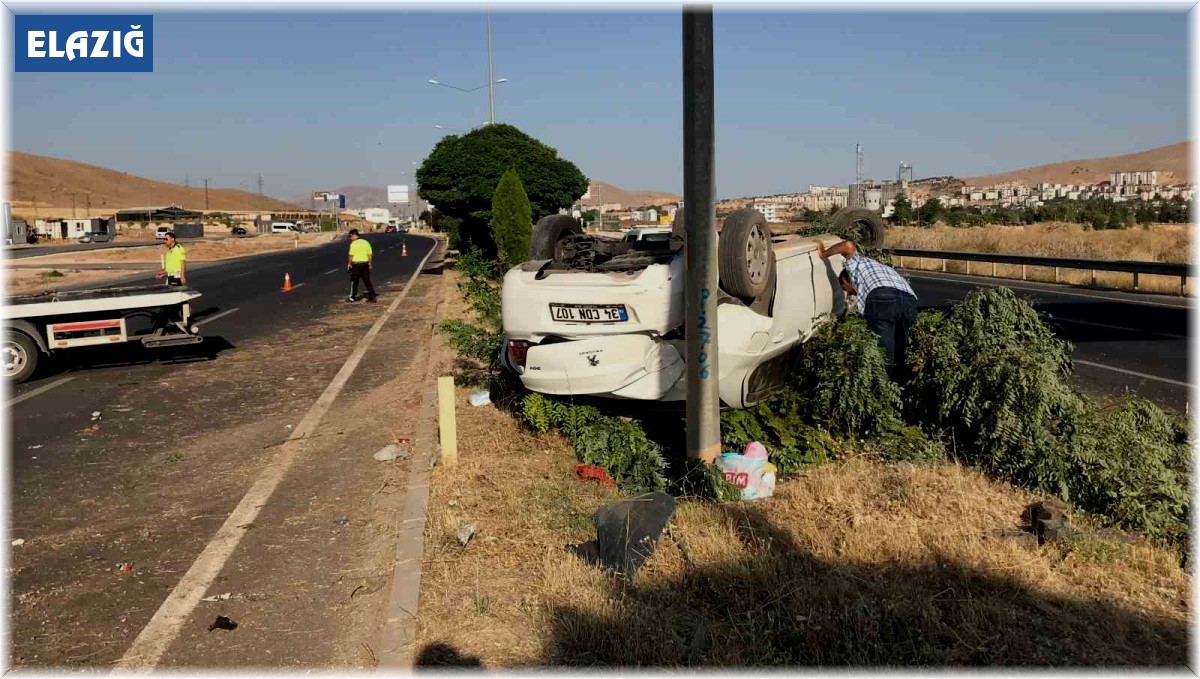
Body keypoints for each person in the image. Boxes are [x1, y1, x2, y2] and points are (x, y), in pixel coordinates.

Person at [816, 238, 918, 381]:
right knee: (901, 349)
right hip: (909, 301)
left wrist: (824, 254)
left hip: (882, 298)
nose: (851, 294)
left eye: (846, 290)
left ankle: (886, 388)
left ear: (846, 280)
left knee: (885, 353)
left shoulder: (856, 265)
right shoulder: (881, 267)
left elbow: (848, 245)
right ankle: (904, 384)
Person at [347, 229, 377, 303]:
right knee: (367, 281)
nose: (350, 238)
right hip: (365, 264)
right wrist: (370, 263)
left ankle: (352, 297)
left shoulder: (353, 244)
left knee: (354, 281)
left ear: (354, 235)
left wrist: (349, 263)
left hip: (356, 265)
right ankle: (372, 296)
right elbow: (369, 255)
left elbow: (351, 255)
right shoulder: (366, 242)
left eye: (350, 236)